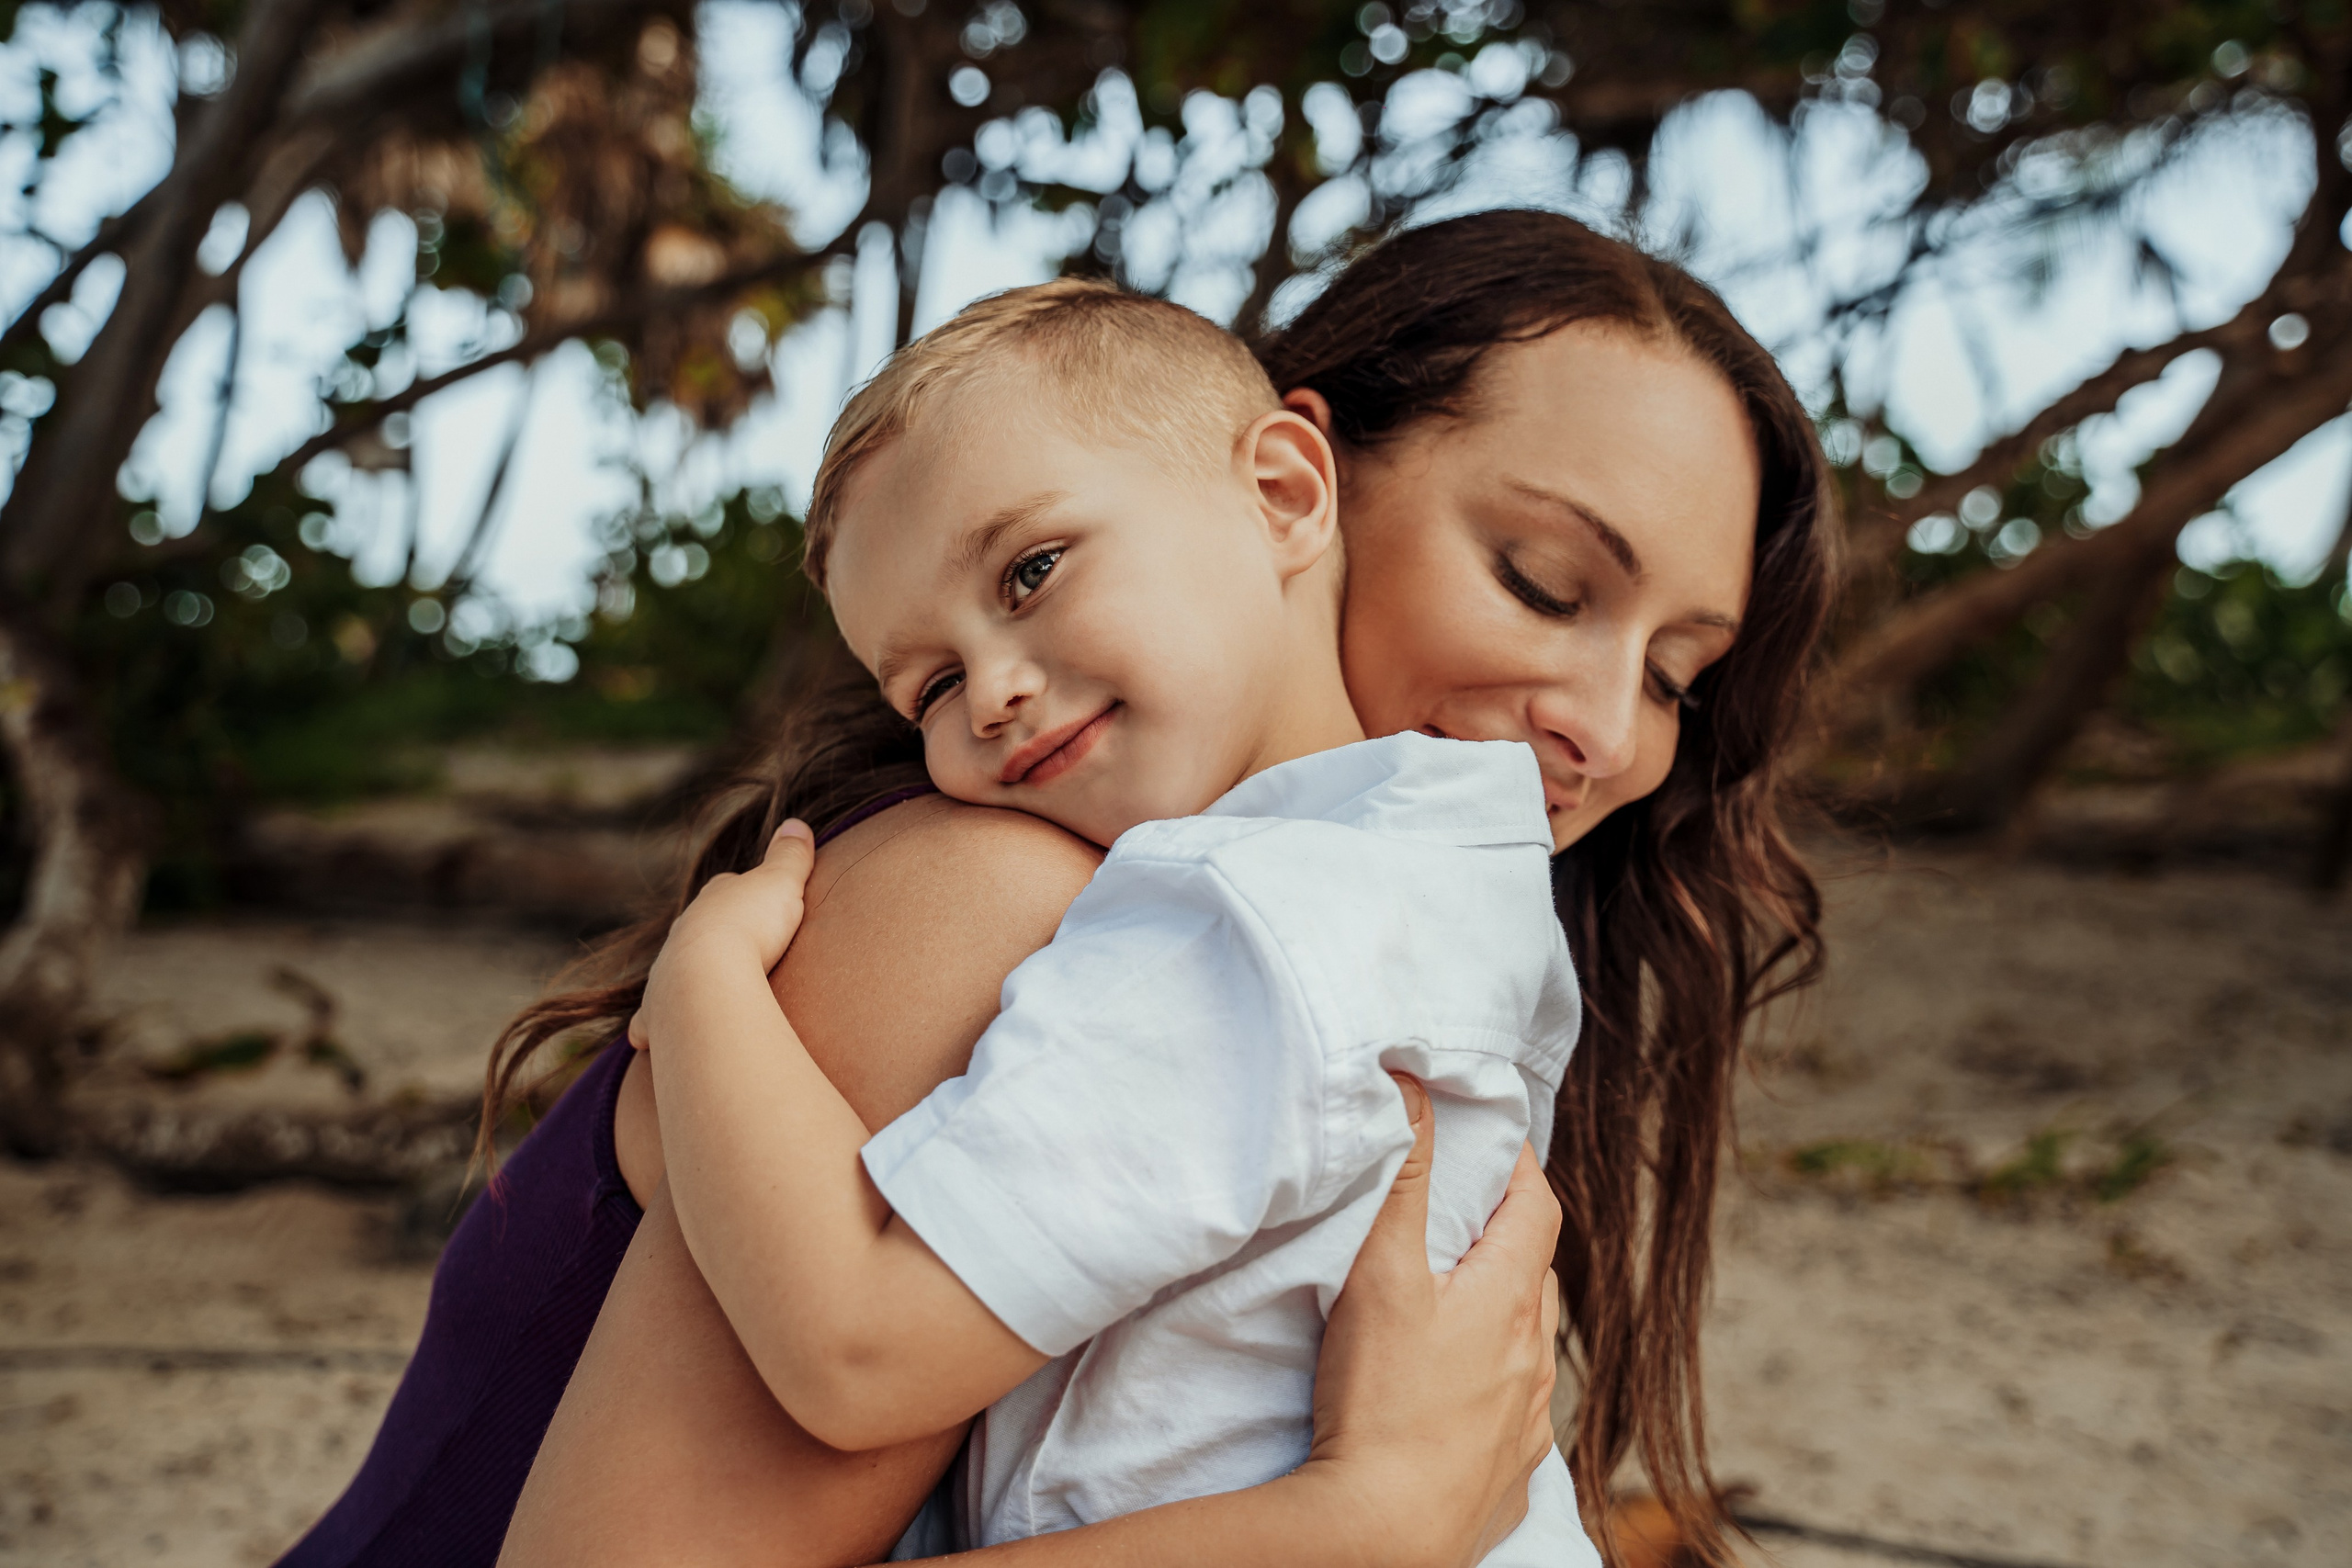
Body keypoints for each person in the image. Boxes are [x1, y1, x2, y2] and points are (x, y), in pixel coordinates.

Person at [279, 207, 1833, 1568]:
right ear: (1301, 483)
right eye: (1545, 583)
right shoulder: (990, 895)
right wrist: (1359, 1528)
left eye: (1682, 676)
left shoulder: (1374, 960)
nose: (1610, 727)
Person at [625, 278, 1595, 1558]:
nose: (993, 696)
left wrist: (705, 993)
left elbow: (853, 1353)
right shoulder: (1429, 883)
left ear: (1286, 495)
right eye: (931, 684)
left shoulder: (1251, 930)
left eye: (1031, 570)